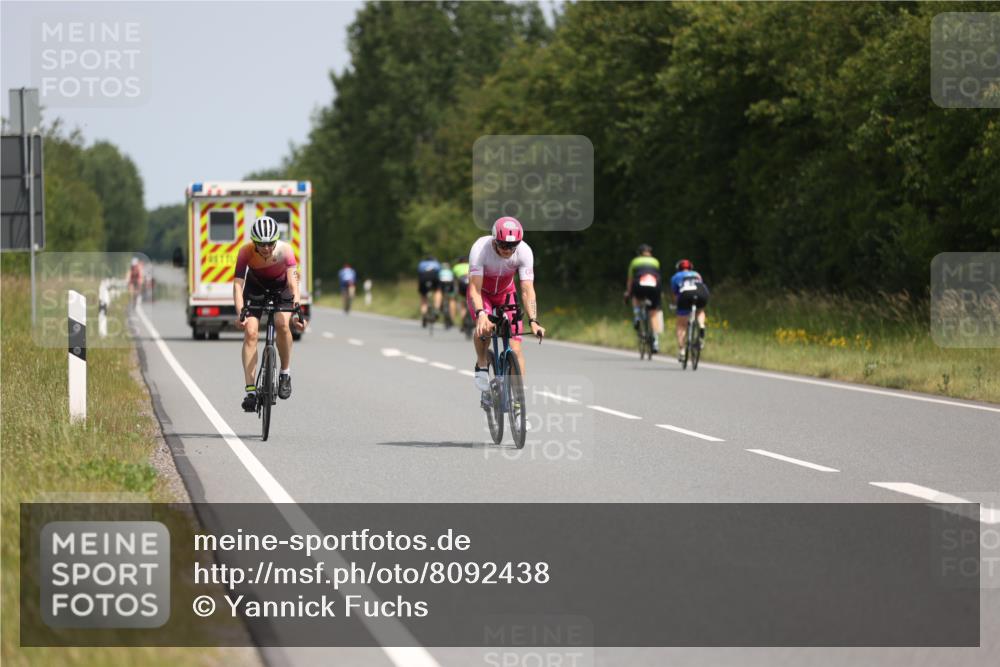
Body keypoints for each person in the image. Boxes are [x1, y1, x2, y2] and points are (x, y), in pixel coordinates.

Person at [233, 215, 305, 411]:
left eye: (270, 243)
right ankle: (250, 391)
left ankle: (285, 373)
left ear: (276, 240)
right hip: (255, 288)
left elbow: (292, 282)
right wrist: (241, 313)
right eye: (261, 244)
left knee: (282, 324)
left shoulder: (285, 250)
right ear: (254, 242)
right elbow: (238, 285)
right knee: (251, 332)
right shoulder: (245, 251)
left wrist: (298, 307)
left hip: (282, 288)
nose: (266, 248)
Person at [468, 216, 545, 393]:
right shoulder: (480, 249)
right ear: (494, 240)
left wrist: (534, 320)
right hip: (482, 294)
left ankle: (518, 405)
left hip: (506, 293)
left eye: (512, 246)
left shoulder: (524, 251)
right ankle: (481, 364)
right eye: (503, 245)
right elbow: (474, 289)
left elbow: (527, 289)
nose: (507, 250)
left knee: (516, 351)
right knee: (485, 328)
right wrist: (481, 314)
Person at [624, 243, 663, 354]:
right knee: (653, 313)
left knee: (636, 297)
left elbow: (630, 280)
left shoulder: (635, 261)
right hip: (654, 287)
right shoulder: (655, 261)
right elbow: (658, 276)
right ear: (650, 253)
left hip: (639, 285)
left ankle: (637, 316)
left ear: (639, 253)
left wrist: (628, 293)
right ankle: (655, 341)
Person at [670, 258, 710, 364]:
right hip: (701, 293)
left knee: (681, 325)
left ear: (678, 268)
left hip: (685, 295)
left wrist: (675, 305)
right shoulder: (697, 274)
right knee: (700, 310)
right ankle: (701, 325)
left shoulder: (675, 277)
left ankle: (682, 351)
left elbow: (675, 295)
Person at [417, 255, 442, 326]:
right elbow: (440, 273)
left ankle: (424, 313)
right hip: (434, 277)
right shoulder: (436, 263)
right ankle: (437, 309)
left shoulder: (421, 263)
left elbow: (419, 273)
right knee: (438, 291)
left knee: (423, 296)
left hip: (423, 279)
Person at [438, 261, 456, 327]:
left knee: (439, 292)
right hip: (450, 283)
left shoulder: (440, 271)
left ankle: (438, 306)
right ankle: (452, 318)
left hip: (442, 283)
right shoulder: (451, 271)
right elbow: (454, 279)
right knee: (452, 299)